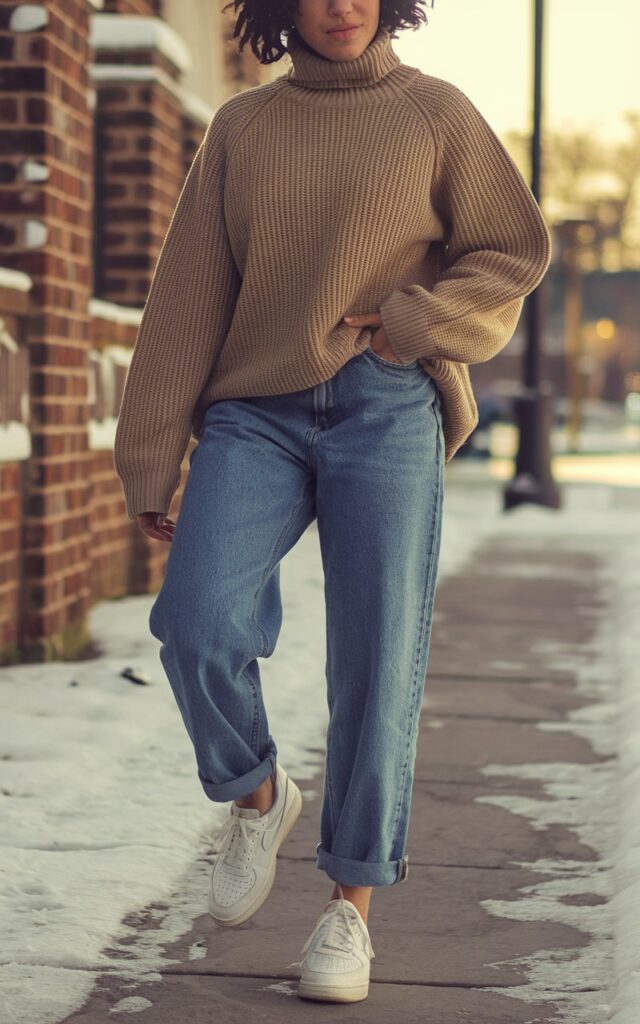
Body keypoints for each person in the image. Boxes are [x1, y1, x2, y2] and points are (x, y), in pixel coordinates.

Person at [113, 0, 552, 1004]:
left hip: (384, 404)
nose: (340, 5)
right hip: (252, 414)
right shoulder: (243, 128)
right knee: (196, 620)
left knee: (376, 662)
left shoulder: (434, 113)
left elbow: (512, 245)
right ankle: (258, 794)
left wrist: (412, 321)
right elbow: (188, 293)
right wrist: (152, 454)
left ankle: (349, 909)